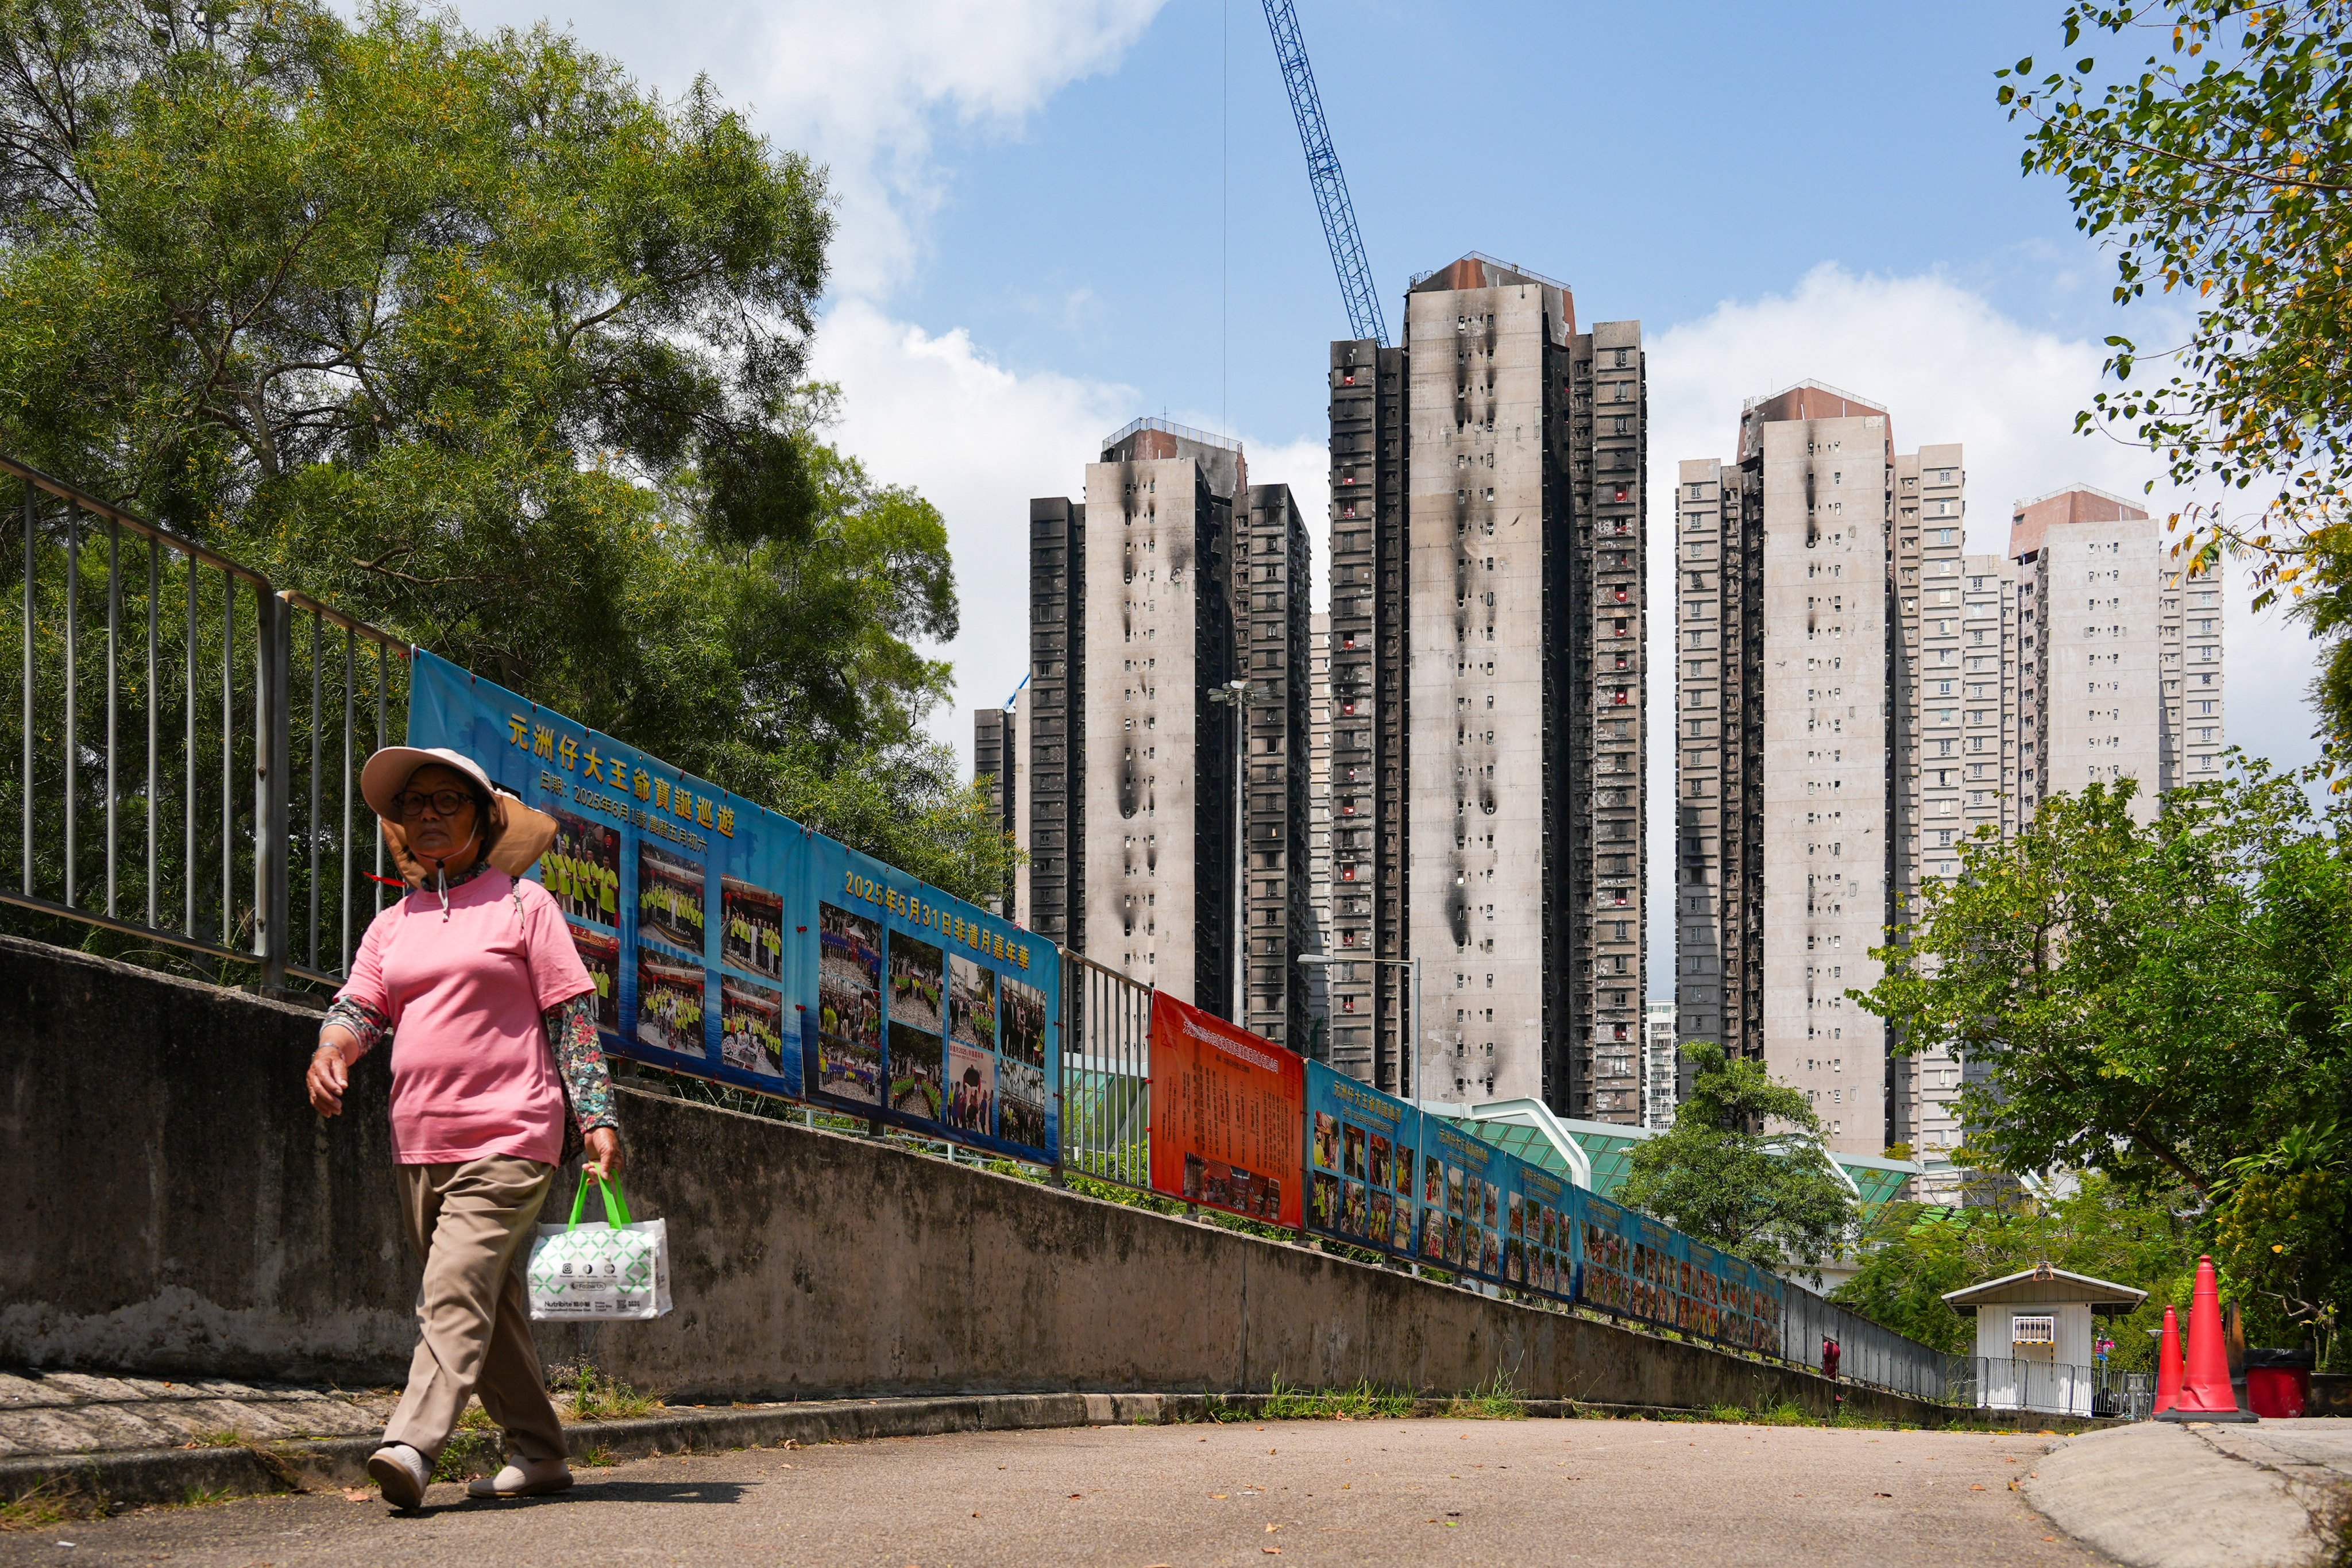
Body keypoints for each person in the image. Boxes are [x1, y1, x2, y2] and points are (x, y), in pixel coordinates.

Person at [305, 746, 621, 1511]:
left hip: (514, 1134)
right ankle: (541, 1453)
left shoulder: (524, 904)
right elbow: (362, 1008)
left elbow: (569, 1017)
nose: (429, 815)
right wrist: (330, 1049)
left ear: (484, 819)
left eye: (449, 801)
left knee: (451, 1287)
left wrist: (598, 1116)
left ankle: (412, 1441)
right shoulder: (391, 925)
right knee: (489, 1301)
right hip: (420, 1142)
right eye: (416, 804)